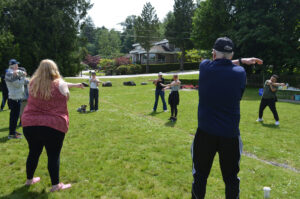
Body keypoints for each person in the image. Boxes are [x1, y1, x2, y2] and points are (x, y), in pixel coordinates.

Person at [191, 37, 263, 199]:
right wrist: (242, 61)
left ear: (213, 54)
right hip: (230, 135)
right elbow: (228, 66)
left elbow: (218, 63)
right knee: (231, 180)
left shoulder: (205, 67)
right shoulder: (239, 73)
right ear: (231, 55)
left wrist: (240, 60)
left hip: (205, 134)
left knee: (200, 177)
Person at [21, 59, 84, 192]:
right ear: (54, 70)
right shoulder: (59, 83)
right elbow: (65, 93)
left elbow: (56, 85)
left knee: (33, 152)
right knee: (53, 155)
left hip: (30, 123)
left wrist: (76, 84)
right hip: (53, 124)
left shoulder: (32, 83)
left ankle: (29, 180)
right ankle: (55, 186)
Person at [5, 59, 27, 139]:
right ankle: (12, 134)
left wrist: (23, 74)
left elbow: (20, 73)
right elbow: (18, 84)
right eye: (16, 65)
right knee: (14, 117)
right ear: (13, 65)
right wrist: (24, 76)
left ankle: (13, 131)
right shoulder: (10, 73)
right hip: (15, 98)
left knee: (14, 116)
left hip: (15, 97)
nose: (18, 66)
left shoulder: (12, 72)